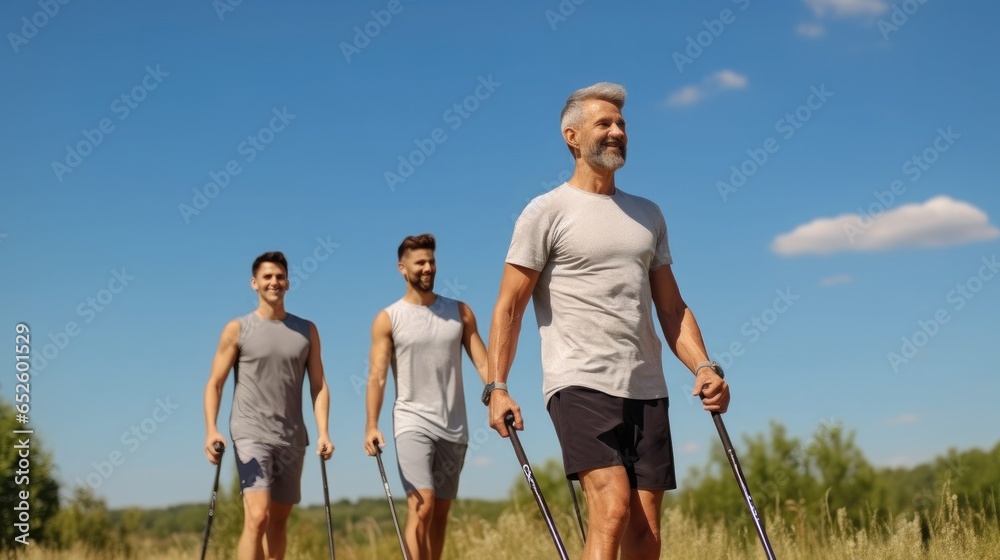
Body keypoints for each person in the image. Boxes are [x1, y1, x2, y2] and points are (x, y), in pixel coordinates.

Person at [485, 82, 731, 560]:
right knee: (612, 506)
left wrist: (704, 367)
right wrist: (497, 387)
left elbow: (672, 308)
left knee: (646, 533)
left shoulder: (647, 215)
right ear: (571, 136)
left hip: (646, 385)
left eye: (621, 124)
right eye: (605, 123)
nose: (617, 131)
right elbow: (509, 306)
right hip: (579, 381)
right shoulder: (546, 211)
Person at [364, 233, 489, 560]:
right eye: (420, 262)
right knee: (423, 505)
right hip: (411, 422)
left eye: (431, 261)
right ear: (402, 268)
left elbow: (483, 361)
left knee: (440, 515)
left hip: (454, 426)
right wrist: (371, 425)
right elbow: (377, 375)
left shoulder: (459, 313)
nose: (428, 267)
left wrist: (498, 392)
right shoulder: (389, 318)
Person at [203, 251, 334, 560]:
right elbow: (215, 383)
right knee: (257, 517)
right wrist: (211, 429)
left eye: (279, 276)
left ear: (287, 282)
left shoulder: (307, 330)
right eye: (267, 277)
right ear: (254, 283)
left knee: (277, 522)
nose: (274, 282)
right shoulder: (237, 329)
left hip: (292, 438)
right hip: (250, 433)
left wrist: (323, 432)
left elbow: (318, 385)